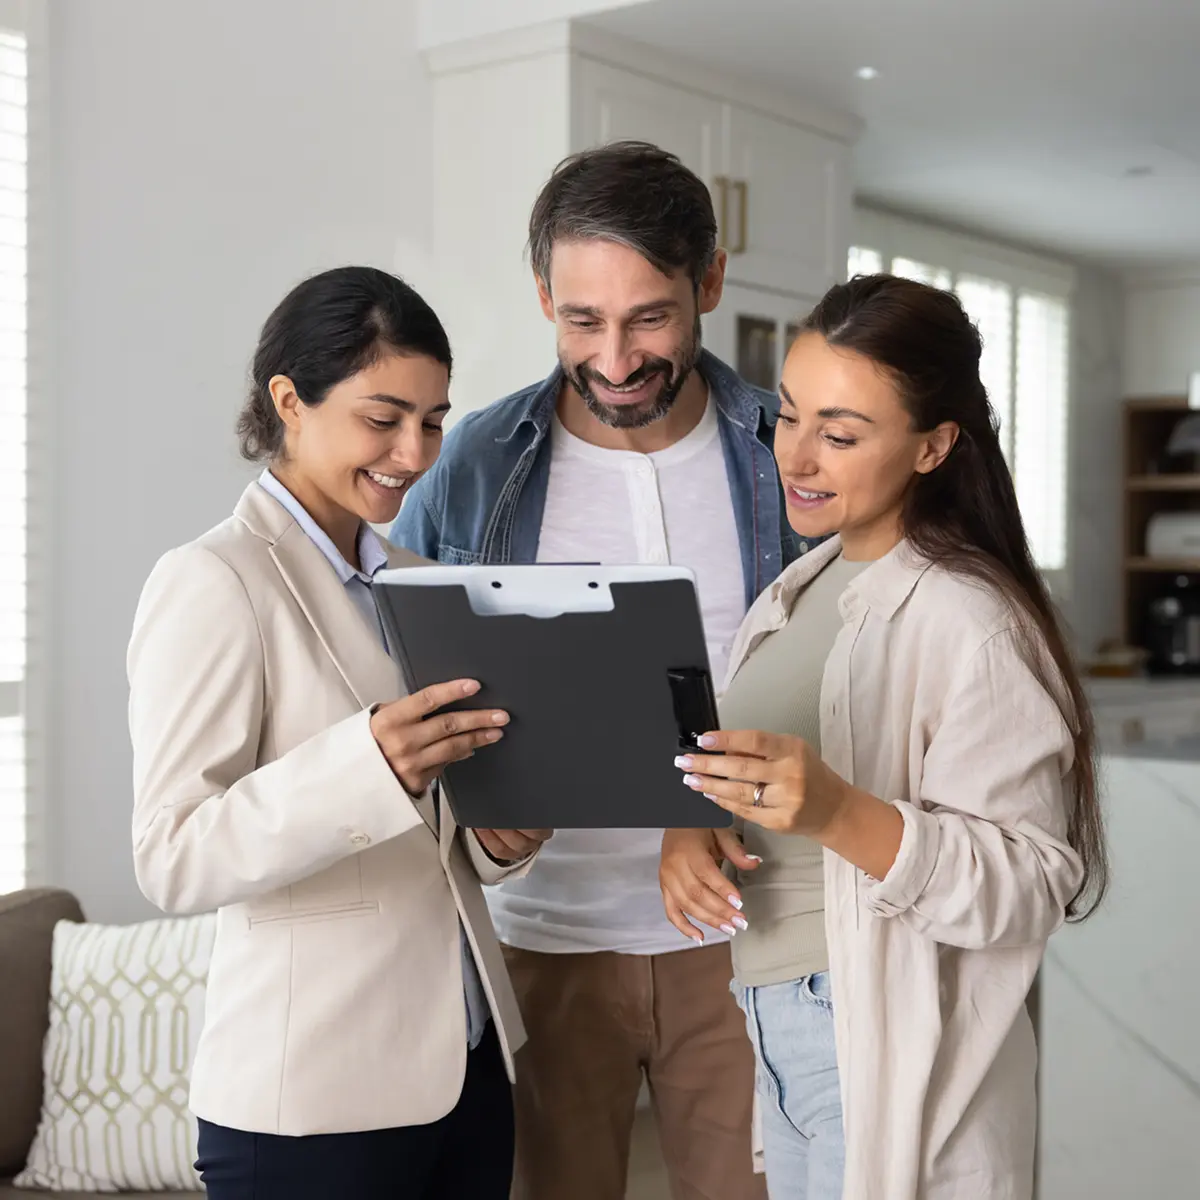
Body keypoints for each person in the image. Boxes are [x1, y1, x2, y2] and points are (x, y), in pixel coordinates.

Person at [392, 141, 801, 1200]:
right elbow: (410, 690)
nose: (615, 358)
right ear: (544, 297)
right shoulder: (469, 465)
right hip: (543, 944)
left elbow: (848, 679)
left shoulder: (785, 456)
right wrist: (475, 818)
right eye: (583, 320)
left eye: (649, 317)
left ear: (708, 282)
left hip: (752, 942)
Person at [661, 274, 1107, 1200]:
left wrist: (838, 810)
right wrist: (698, 828)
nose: (799, 456)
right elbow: (767, 800)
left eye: (842, 433)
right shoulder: (796, 593)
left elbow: (1030, 882)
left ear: (935, 445)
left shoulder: (969, 617)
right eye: (789, 417)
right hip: (777, 1023)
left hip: (870, 1033)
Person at [127, 266, 552, 1200]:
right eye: (383, 416)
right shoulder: (213, 580)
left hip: (469, 1067)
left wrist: (495, 843)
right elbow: (171, 855)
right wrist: (367, 766)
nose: (414, 451)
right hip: (316, 1099)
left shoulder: (418, 578)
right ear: (289, 400)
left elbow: (434, 824)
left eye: (434, 420)